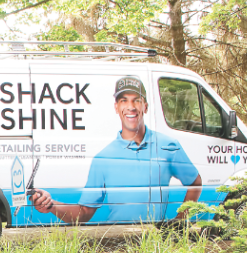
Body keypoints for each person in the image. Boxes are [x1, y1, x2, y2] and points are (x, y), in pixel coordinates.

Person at [30, 75, 201, 224]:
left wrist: (180, 220)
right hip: (117, 240)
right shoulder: (103, 158)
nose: (131, 106)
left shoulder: (168, 145)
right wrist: (51, 206)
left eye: (137, 100)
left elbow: (195, 182)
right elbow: (84, 214)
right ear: (116, 107)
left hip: (154, 241)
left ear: (145, 106)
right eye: (124, 100)